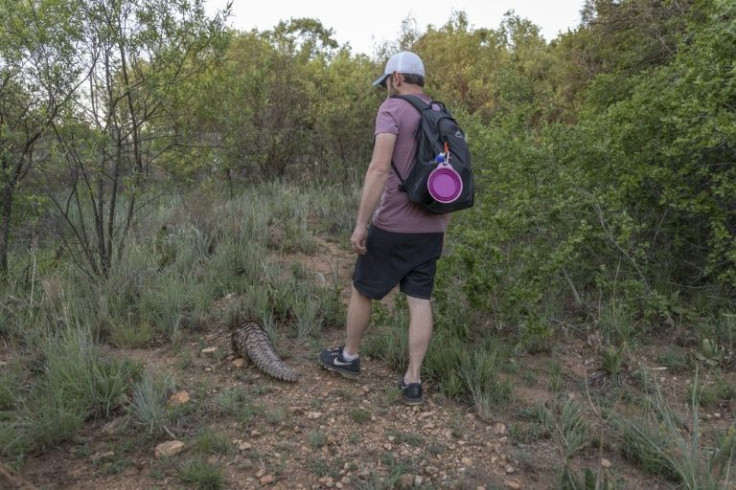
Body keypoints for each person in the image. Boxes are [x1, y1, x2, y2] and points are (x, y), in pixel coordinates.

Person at [318, 51, 450, 406]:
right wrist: (441, 225)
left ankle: (348, 356)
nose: (385, 91)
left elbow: (379, 169)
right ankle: (412, 380)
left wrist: (362, 224)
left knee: (363, 289)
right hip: (432, 227)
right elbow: (449, 179)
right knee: (420, 299)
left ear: (395, 78)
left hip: (393, 224)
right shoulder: (440, 113)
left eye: (386, 84)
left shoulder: (392, 109)